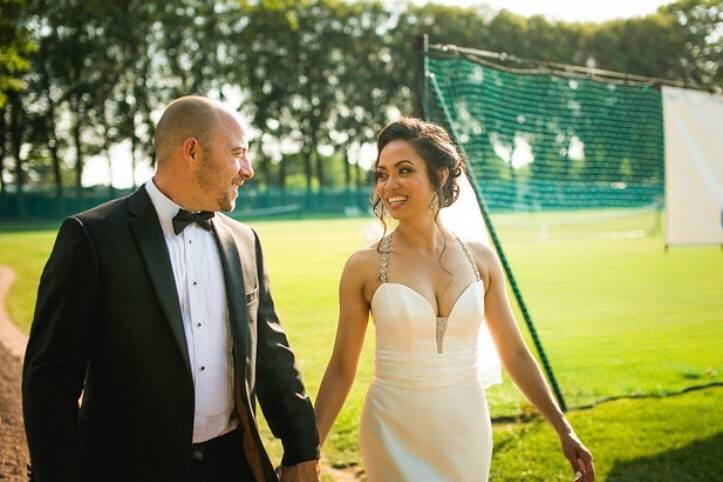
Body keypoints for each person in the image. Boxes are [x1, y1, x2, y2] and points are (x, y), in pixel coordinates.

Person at [22, 96, 320, 482]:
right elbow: (51, 381)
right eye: (238, 153)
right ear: (192, 151)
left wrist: (301, 448)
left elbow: (271, 354)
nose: (247, 169)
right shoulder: (91, 238)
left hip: (231, 464)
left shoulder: (245, 242)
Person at [313, 117, 595, 482]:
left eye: (404, 170)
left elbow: (514, 352)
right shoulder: (363, 268)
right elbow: (340, 368)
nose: (389, 185)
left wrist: (563, 428)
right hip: (392, 431)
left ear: (441, 175)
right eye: (381, 174)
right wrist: (308, 451)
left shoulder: (481, 260)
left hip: (466, 430)